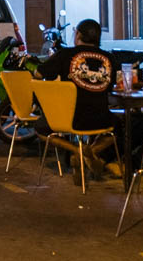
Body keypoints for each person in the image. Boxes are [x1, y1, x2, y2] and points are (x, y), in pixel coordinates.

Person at [36, 18, 118, 172]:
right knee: (120, 125)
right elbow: (114, 85)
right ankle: (92, 151)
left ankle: (77, 151)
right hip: (101, 118)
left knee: (41, 126)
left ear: (78, 34)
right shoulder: (110, 58)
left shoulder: (66, 54)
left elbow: (39, 74)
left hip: (69, 118)